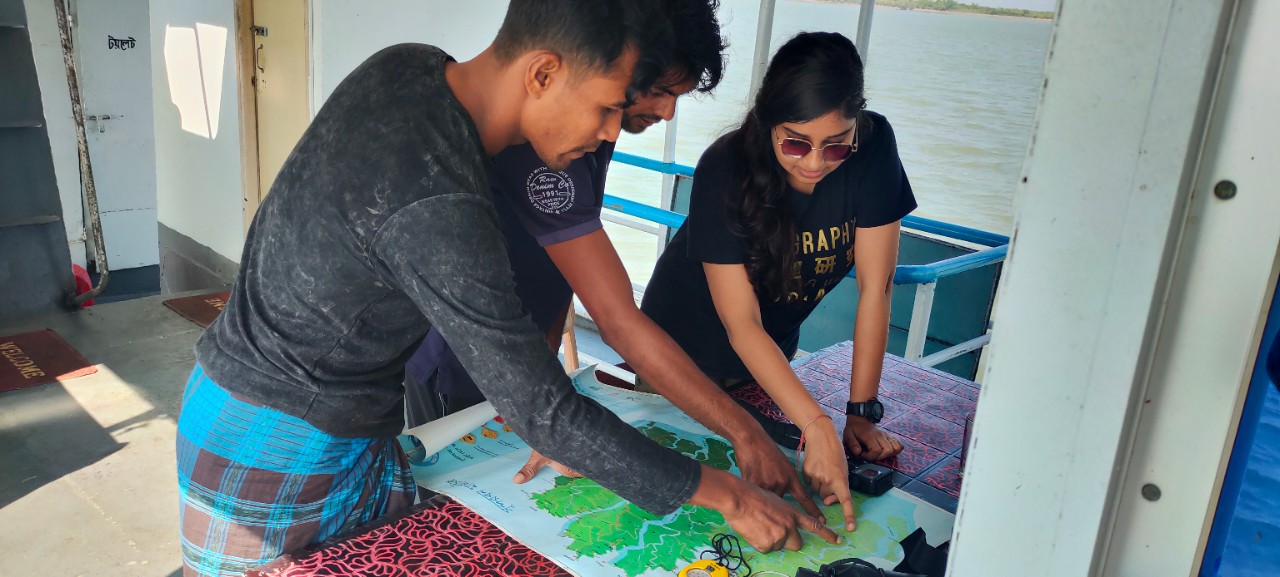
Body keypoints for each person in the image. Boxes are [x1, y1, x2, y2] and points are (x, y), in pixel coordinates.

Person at [175, 2, 836, 575]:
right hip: (273, 454)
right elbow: (546, 413)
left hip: (275, 407)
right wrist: (729, 495)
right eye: (608, 107)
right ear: (542, 73)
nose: (611, 131)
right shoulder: (440, 199)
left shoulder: (409, 66)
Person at [401, 0, 854, 532]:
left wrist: (548, 386)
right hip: (461, 365)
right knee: (463, 524)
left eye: (678, 96)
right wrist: (744, 436)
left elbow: (556, 268)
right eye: (658, 90)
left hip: (528, 360)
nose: (667, 113)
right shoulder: (547, 140)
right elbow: (616, 320)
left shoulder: (596, 128)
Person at [641, 31, 915, 515]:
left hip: (768, 367)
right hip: (681, 359)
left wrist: (860, 414)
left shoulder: (874, 147)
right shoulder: (725, 167)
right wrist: (817, 424)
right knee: (683, 508)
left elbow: (877, 287)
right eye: (795, 143)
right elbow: (741, 322)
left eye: (836, 147)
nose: (814, 163)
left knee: (775, 500)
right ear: (769, 123)